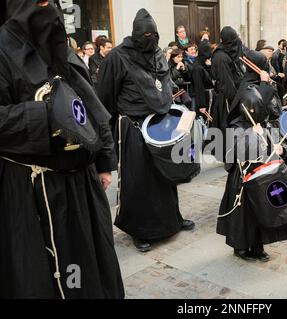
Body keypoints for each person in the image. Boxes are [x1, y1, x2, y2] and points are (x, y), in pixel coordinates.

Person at [0, 0, 124, 298]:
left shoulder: (61, 47)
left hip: (82, 185)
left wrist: (104, 160)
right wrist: (43, 115)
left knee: (90, 268)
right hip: (34, 188)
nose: (50, 8)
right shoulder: (3, 48)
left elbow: (90, 104)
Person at [97, 9, 195, 253]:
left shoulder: (158, 54)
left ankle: (172, 219)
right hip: (133, 126)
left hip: (161, 123)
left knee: (166, 174)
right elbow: (105, 97)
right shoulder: (117, 57)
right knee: (139, 180)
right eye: (146, 34)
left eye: (154, 34)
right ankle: (140, 230)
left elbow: (165, 84)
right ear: (136, 34)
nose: (150, 38)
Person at [217, 79, 287, 262]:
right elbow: (233, 154)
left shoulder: (266, 124)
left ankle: (257, 246)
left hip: (264, 176)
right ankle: (240, 247)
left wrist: (281, 149)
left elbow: (279, 147)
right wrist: (251, 136)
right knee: (243, 215)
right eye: (251, 108)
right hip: (243, 178)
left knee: (261, 212)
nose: (254, 112)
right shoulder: (235, 126)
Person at [210, 26, 245, 152]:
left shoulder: (226, 54)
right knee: (227, 125)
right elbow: (226, 82)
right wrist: (235, 99)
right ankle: (229, 152)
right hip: (226, 99)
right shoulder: (220, 57)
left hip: (230, 96)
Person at [191, 40, 214, 117]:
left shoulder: (204, 62)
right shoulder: (197, 67)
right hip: (204, 99)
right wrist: (201, 105)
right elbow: (199, 86)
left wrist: (209, 67)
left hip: (208, 96)